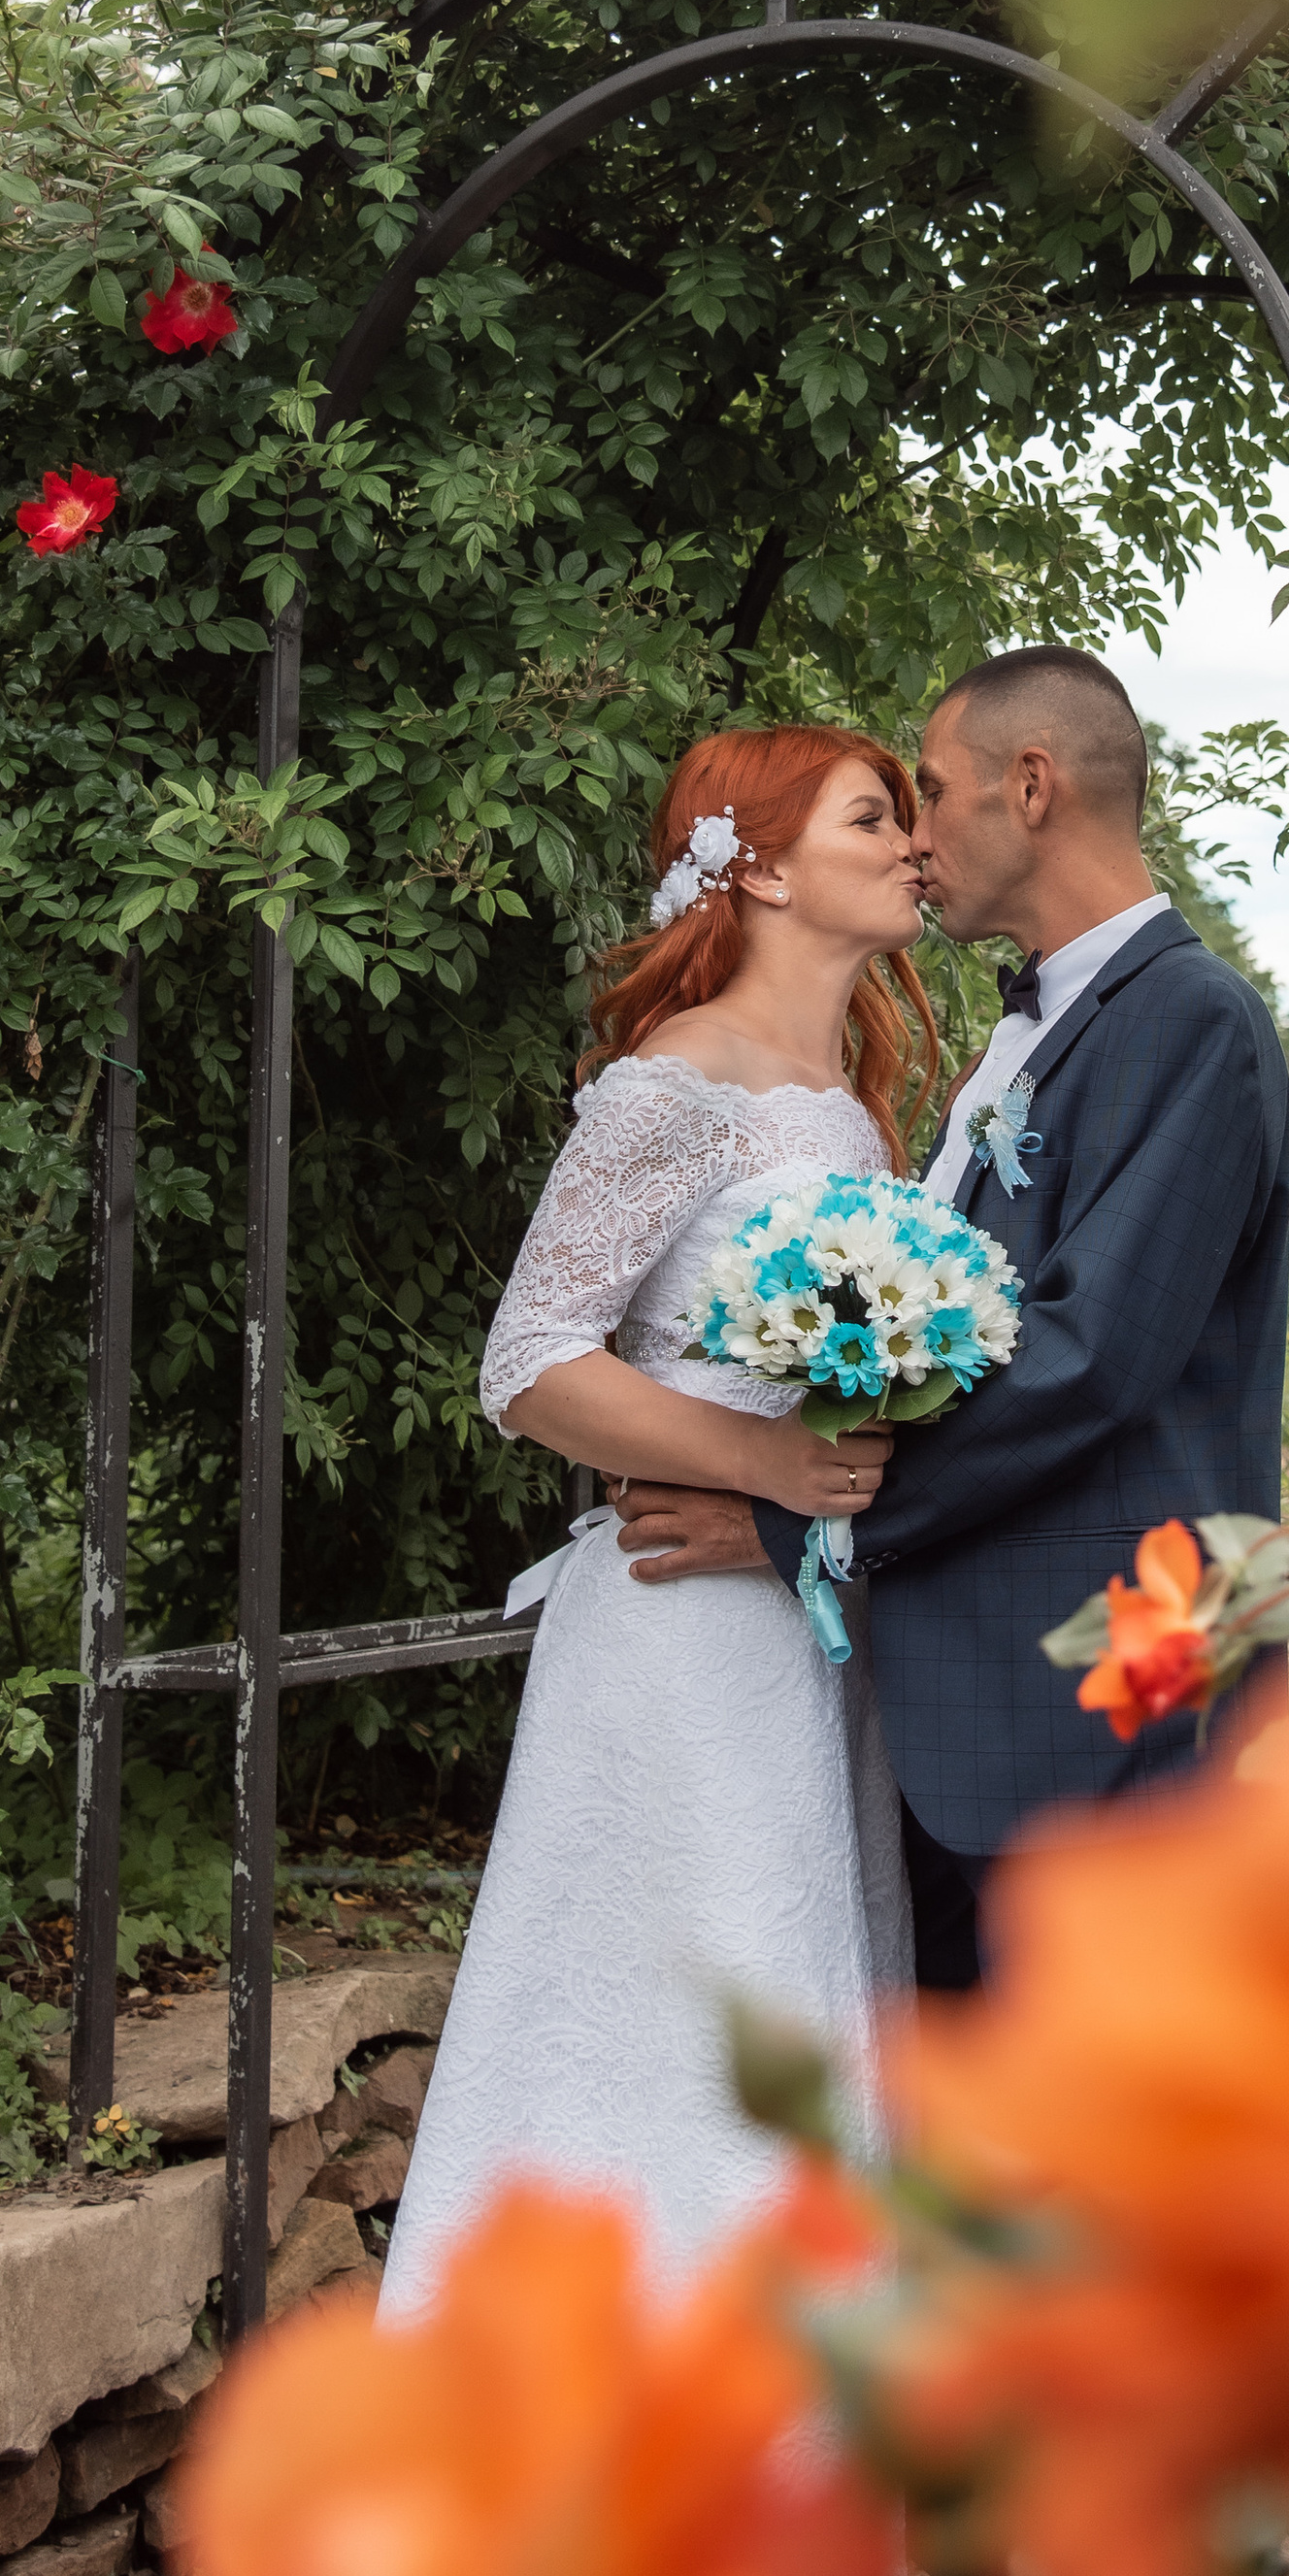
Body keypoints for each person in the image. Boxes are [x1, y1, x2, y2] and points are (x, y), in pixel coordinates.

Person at [613, 644, 1289, 1994]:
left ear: (1030, 786)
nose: (917, 835)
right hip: (976, 1710)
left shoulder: (1191, 1023)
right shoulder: (1029, 1035)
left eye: (929, 790)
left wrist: (798, 1517)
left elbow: (1086, 1357)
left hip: (1100, 1712)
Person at [377, 725, 935, 2312]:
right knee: (692, 2044)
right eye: (872, 815)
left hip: (812, 1641)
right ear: (755, 862)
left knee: (804, 2025)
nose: (912, 843)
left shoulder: (857, 1095)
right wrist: (764, 1469)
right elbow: (530, 1358)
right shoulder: (673, 1084)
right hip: (682, 1641)